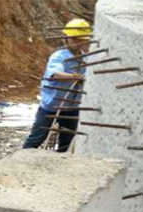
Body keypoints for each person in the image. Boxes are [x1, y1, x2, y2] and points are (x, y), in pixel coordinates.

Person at [23, 19, 92, 152]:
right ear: (66, 38)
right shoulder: (59, 56)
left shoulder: (86, 59)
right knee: (36, 139)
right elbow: (55, 73)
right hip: (51, 106)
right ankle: (19, 163)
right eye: (74, 39)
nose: (77, 43)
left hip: (72, 108)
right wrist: (75, 77)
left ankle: (58, 166)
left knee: (67, 142)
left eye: (81, 39)